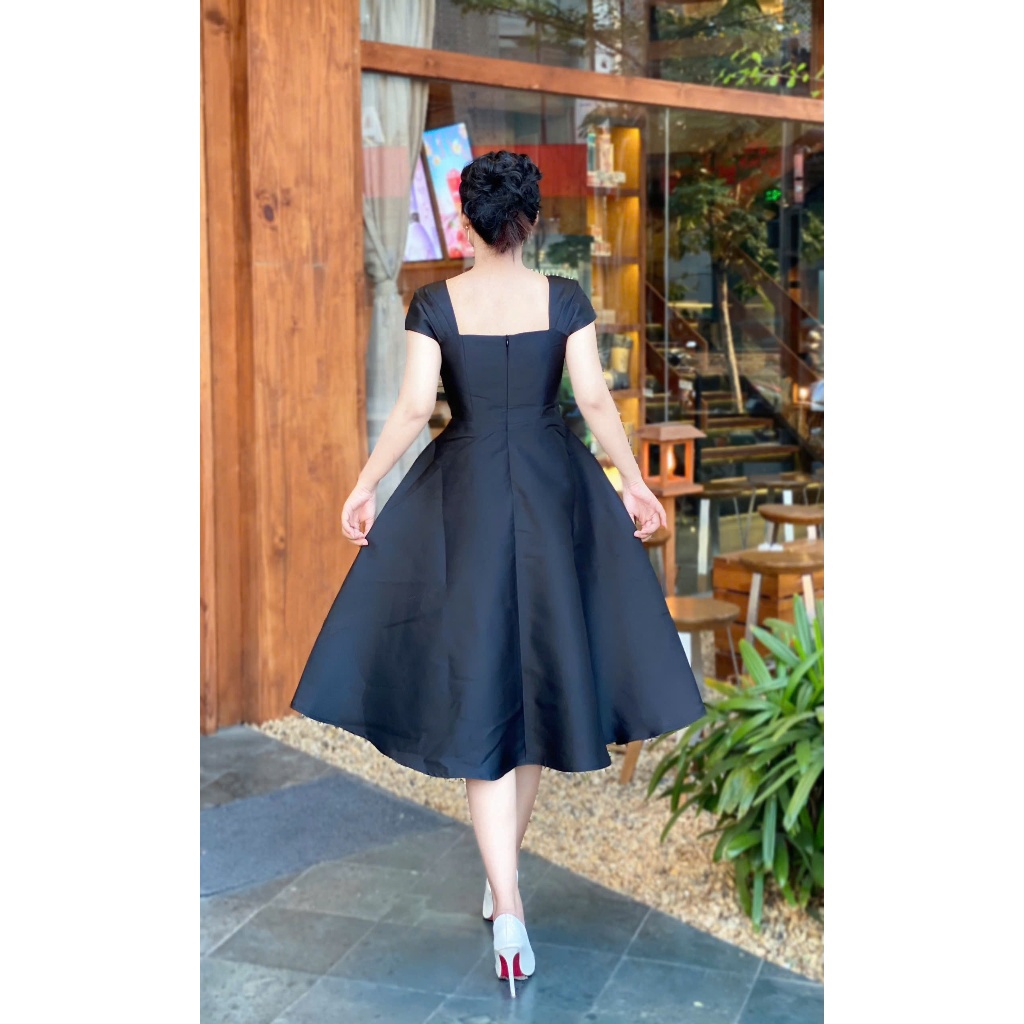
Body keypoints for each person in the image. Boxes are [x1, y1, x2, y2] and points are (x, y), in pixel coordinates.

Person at [290, 150, 705, 998]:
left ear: (465, 221)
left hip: (468, 499)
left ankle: (505, 901)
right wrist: (633, 481)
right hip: (554, 497)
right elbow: (592, 400)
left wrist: (365, 485)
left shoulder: (435, 303)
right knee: (538, 689)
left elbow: (416, 407)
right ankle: (504, 887)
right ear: (531, 220)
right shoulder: (565, 298)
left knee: (486, 690)